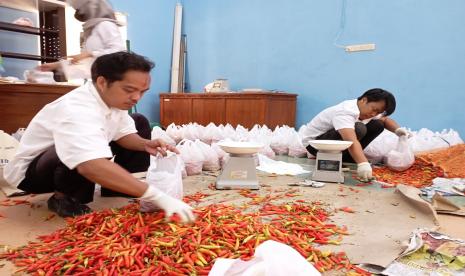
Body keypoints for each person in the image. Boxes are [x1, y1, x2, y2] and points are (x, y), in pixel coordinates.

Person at [3, 51, 195, 223]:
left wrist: (146, 144)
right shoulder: (77, 108)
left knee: (139, 121)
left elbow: (124, 135)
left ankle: (117, 186)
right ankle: (63, 197)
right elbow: (89, 165)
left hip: (68, 159)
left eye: (142, 92)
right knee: (77, 149)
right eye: (129, 90)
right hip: (34, 173)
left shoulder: (114, 102)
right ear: (102, 82)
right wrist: (157, 196)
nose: (136, 98)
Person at [301, 88, 409, 182]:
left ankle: (348, 158)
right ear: (364, 100)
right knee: (359, 128)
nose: (373, 114)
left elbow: (385, 120)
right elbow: (351, 140)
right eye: (374, 110)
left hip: (334, 140)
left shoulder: (367, 111)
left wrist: (398, 130)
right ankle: (334, 158)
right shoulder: (346, 111)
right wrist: (363, 164)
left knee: (377, 124)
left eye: (377, 112)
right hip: (315, 144)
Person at [39, 0, 126, 73]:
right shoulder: (91, 30)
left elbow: (119, 51)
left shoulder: (106, 25)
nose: (78, 12)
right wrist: (55, 66)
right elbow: (85, 63)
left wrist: (90, 54)